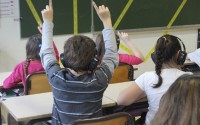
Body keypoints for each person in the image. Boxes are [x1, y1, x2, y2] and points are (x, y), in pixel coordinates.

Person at [40, 0, 118, 124]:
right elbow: (112, 55)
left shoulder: (56, 78)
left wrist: (47, 22)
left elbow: (46, 51)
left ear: (64, 59)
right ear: (94, 61)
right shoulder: (99, 80)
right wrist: (107, 22)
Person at [117, 34, 192, 125]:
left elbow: (121, 100)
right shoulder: (190, 78)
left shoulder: (147, 78)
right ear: (180, 55)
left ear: (155, 56)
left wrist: (146, 91)